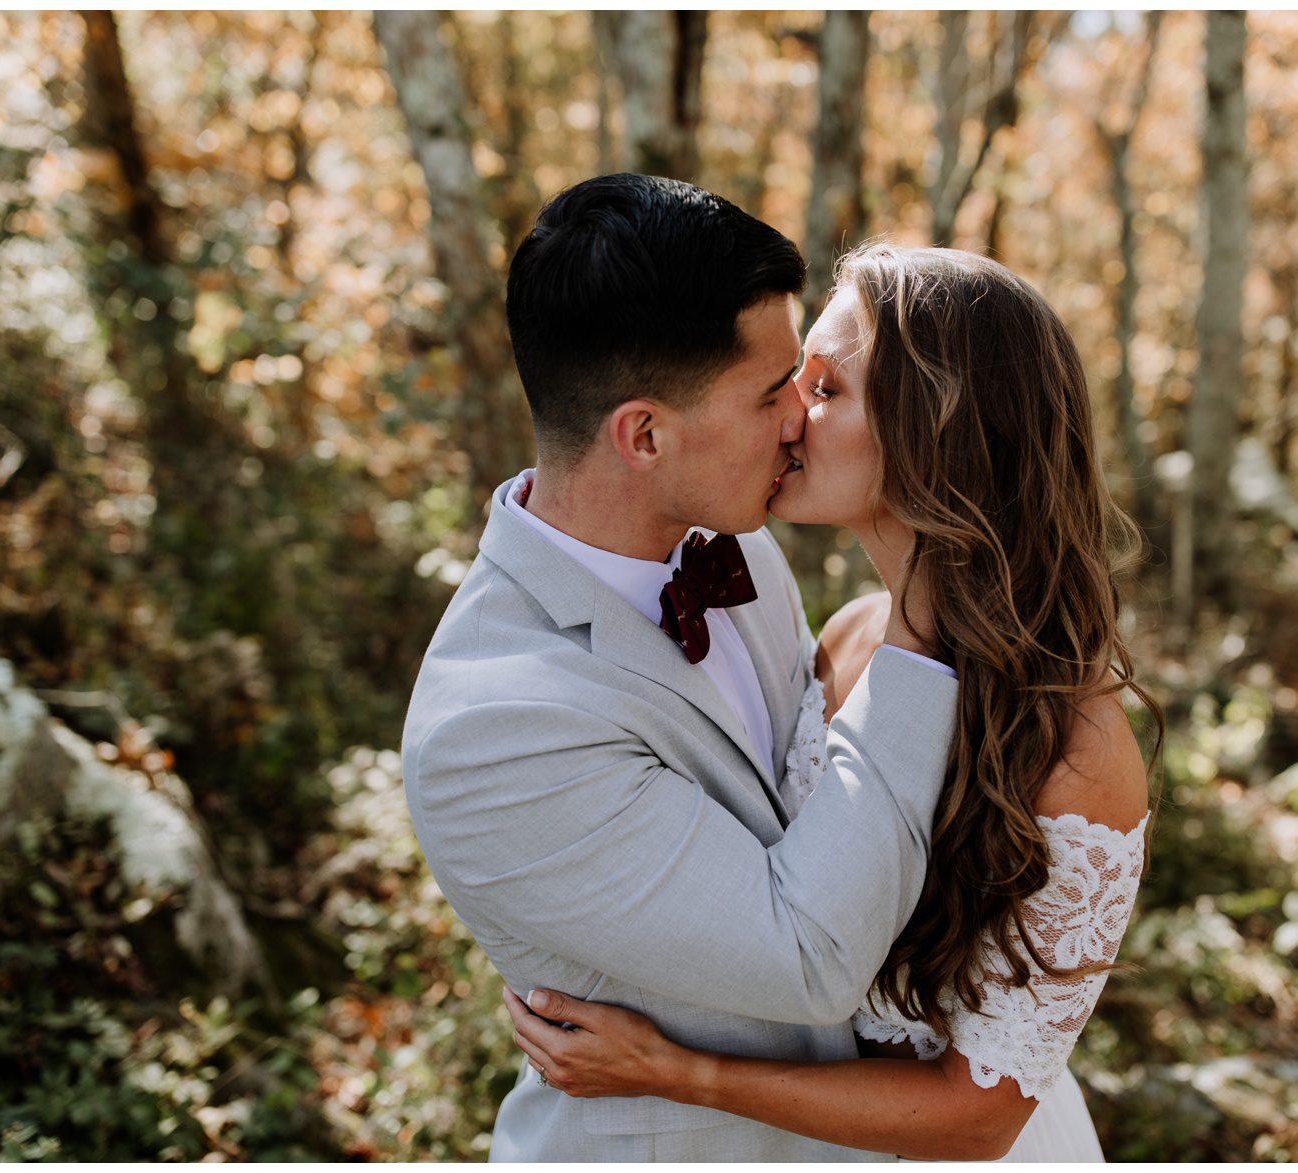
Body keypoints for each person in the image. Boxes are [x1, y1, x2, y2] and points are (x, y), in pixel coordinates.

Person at [503, 243, 1162, 1161]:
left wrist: (675, 1069)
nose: (786, 419)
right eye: (788, 384)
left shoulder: (1075, 748)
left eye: (823, 389)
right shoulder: (847, 636)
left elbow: (977, 1116)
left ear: (941, 428)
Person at [400, 177, 964, 1162]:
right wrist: (919, 629)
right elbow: (812, 958)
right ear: (645, 435)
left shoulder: (737, 547)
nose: (802, 416)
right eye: (768, 391)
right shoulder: (491, 725)